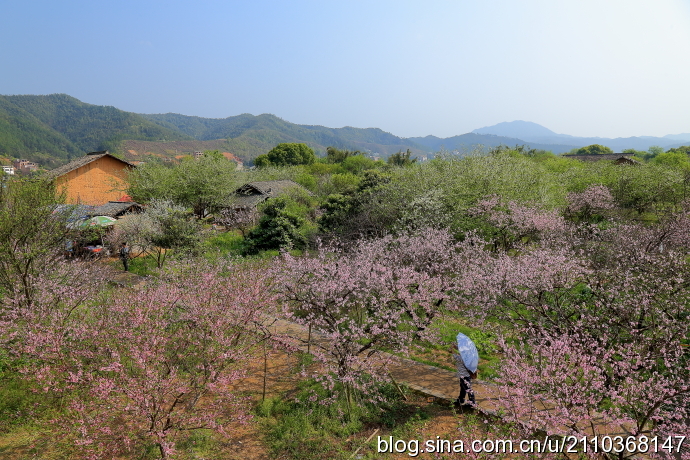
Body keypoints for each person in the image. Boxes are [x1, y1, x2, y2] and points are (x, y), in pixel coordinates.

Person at [451, 334, 478, 406]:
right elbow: (461, 351)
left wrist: (452, 349)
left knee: (468, 389)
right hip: (466, 375)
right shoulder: (468, 355)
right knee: (463, 388)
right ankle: (460, 399)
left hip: (464, 376)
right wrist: (455, 347)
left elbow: (454, 355)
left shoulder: (461, 358)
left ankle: (472, 402)